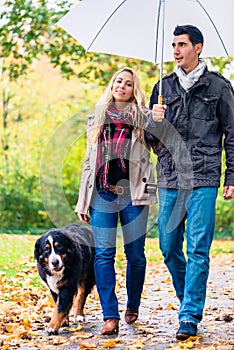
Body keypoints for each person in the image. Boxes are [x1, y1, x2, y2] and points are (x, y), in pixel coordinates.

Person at [146, 25, 234, 340]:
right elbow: (148, 141)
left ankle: (189, 316)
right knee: (168, 247)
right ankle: (189, 301)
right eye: (173, 45)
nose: (176, 50)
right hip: (170, 178)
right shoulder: (162, 88)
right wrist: (151, 121)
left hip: (204, 177)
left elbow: (233, 135)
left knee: (198, 248)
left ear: (198, 47)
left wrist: (232, 175)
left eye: (182, 44)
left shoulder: (219, 88)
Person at [75, 67, 157, 335]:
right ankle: (110, 315)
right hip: (102, 194)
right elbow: (89, 163)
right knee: (103, 255)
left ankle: (133, 304)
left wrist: (158, 120)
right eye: (118, 81)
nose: (122, 86)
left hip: (134, 195)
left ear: (135, 90)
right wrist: (82, 200)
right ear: (112, 85)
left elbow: (160, 146)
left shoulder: (144, 118)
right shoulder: (96, 118)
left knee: (135, 256)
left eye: (129, 83)